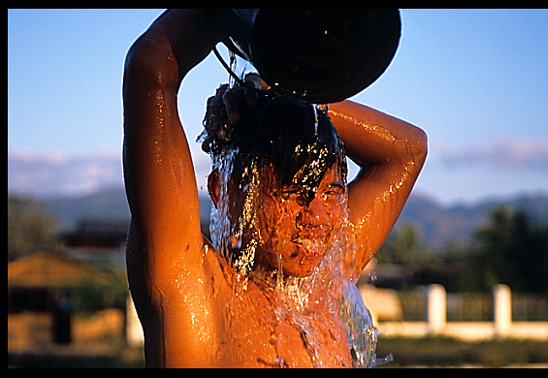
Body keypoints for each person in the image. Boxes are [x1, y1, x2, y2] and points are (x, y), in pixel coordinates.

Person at [123, 9, 427, 368]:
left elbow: (407, 150)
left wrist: (287, 94)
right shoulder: (197, 293)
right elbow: (150, 69)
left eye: (331, 193)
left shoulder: (324, 280)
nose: (318, 217)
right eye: (295, 193)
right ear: (225, 190)